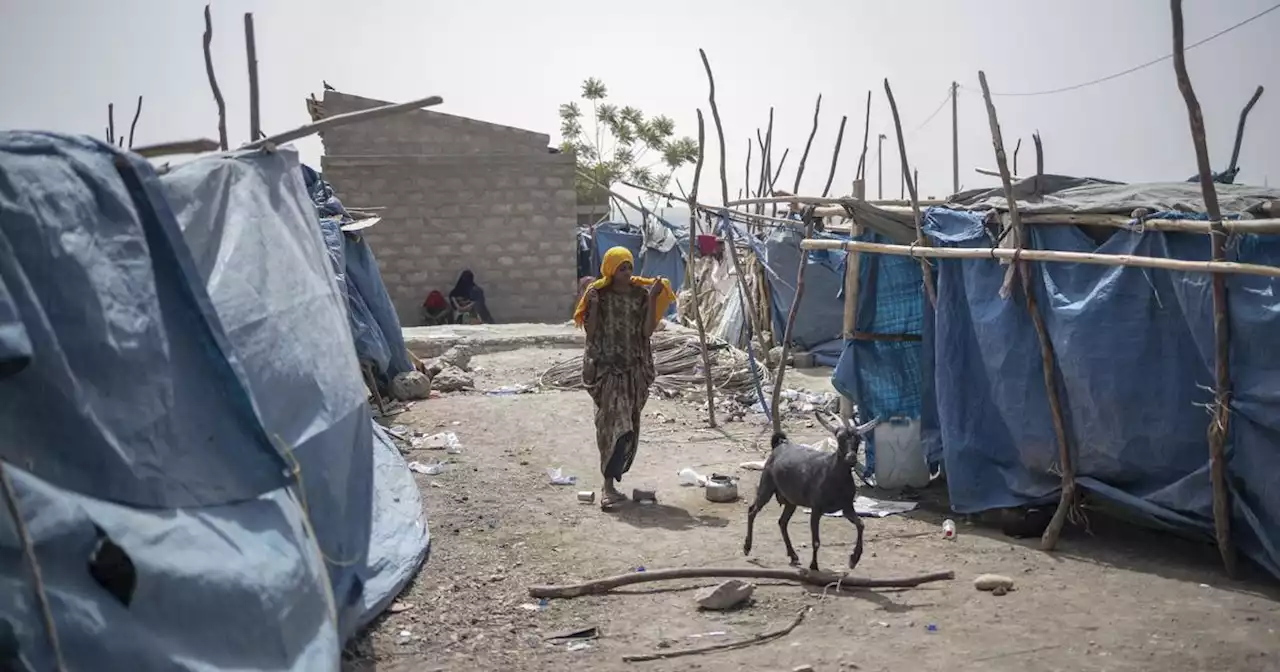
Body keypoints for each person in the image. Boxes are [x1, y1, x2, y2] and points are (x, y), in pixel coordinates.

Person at [572, 247, 676, 509]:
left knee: (627, 427)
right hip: (607, 371)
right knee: (614, 427)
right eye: (622, 268)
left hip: (633, 370)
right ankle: (607, 488)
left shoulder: (640, 295)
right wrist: (593, 306)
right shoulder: (599, 295)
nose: (628, 273)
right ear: (610, 270)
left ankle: (612, 485)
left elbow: (646, 332)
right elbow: (591, 332)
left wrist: (652, 299)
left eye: (630, 267)